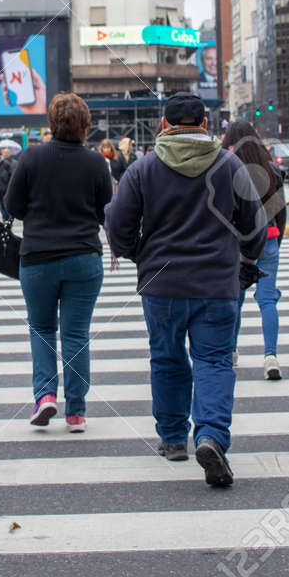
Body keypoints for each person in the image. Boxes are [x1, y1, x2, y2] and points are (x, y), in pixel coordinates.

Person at [106, 92, 266, 487]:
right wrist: (245, 261)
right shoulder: (229, 165)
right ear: (207, 124)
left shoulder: (143, 169)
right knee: (213, 361)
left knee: (166, 358)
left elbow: (118, 227)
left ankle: (173, 437)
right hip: (217, 284)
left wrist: (139, 255)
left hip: (161, 283)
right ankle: (210, 435)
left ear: (164, 124)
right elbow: (256, 225)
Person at [4, 94, 112, 432]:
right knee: (76, 334)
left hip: (37, 258)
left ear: (52, 122)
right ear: (85, 124)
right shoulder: (96, 163)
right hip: (83, 256)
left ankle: (45, 396)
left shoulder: (31, 157)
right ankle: (76, 411)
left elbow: (13, 206)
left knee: (42, 329)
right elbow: (103, 211)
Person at [222, 121, 287, 380]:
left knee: (234, 299)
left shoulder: (226, 168)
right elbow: (280, 212)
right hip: (269, 238)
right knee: (268, 299)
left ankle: (232, 351)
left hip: (238, 243)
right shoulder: (271, 168)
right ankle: (270, 356)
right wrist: (276, 241)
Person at [0, 146, 17, 223]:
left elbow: (11, 176)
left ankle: (7, 222)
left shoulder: (6, 164)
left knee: (5, 207)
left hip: (4, 189)